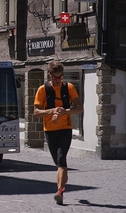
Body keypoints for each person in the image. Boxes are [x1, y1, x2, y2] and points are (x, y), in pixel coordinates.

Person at [33, 60, 83, 205]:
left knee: (61, 161)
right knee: (59, 164)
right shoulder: (42, 89)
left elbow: (79, 108)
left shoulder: (69, 87)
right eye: (55, 78)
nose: (58, 80)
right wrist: (52, 111)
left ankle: (60, 192)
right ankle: (62, 187)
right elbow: (36, 112)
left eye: (60, 77)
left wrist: (64, 111)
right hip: (49, 130)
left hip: (65, 129)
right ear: (50, 75)